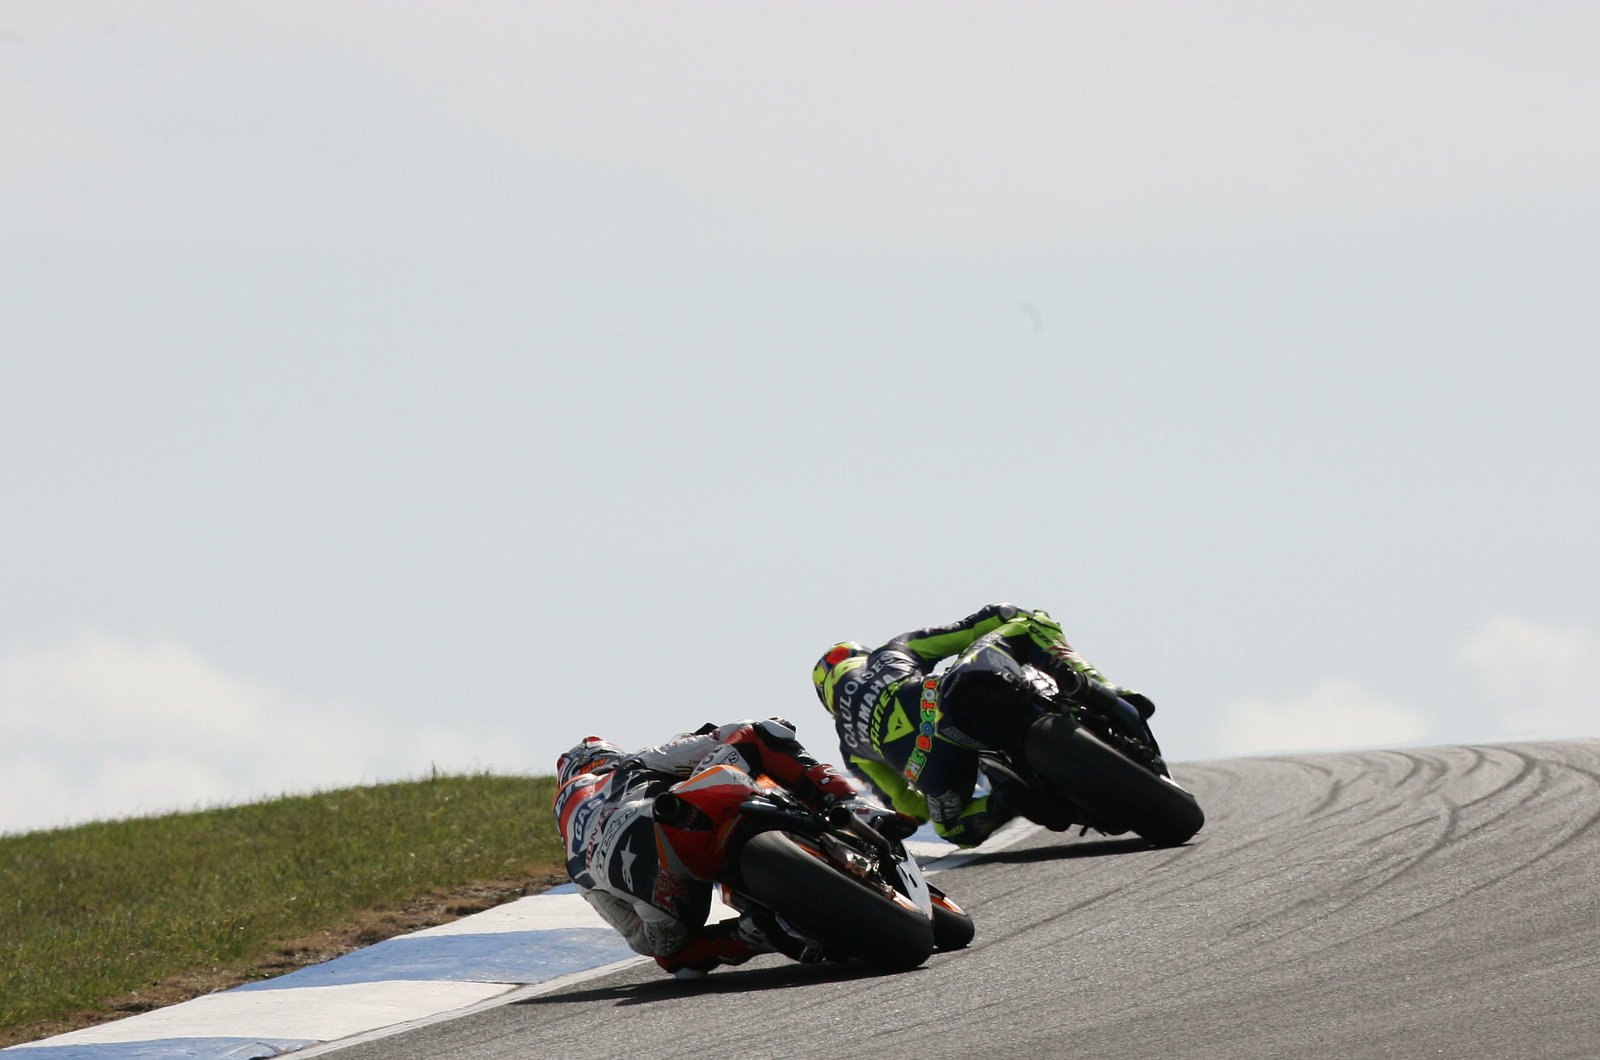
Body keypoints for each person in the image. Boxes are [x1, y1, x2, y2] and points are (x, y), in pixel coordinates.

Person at [552, 718, 915, 978]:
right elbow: (722, 738)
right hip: (671, 818)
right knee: (760, 733)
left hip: (660, 887)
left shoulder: (573, 859)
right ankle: (852, 806)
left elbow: (640, 939)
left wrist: (668, 938)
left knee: (676, 957)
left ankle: (750, 935)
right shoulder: (627, 767)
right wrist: (715, 737)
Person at [812, 603, 1155, 848]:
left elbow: (908, 808)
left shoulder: (849, 743)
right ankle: (1101, 687)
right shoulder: (887, 654)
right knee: (1029, 621)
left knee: (949, 829)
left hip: (932, 765)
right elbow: (974, 627)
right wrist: (1003, 618)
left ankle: (1006, 800)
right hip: (946, 697)